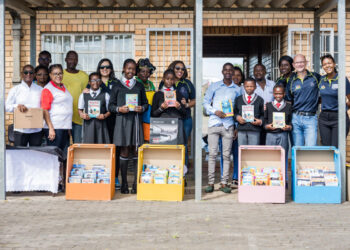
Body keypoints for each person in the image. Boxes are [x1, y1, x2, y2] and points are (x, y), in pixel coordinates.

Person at [109, 59, 148, 194]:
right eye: (128, 68)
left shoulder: (139, 85)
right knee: (124, 151)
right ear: (123, 69)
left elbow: (146, 103)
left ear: (135, 71)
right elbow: (110, 106)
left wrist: (141, 108)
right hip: (122, 121)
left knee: (136, 150)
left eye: (132, 69)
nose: (130, 71)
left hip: (136, 121)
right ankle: (124, 183)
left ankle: (136, 184)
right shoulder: (117, 85)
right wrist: (119, 109)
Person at [203, 63, 241, 194]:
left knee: (226, 155)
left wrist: (236, 127)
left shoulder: (237, 89)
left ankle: (224, 182)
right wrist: (215, 111)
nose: (228, 72)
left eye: (231, 70)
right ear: (222, 71)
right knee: (212, 154)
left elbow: (238, 109)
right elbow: (205, 103)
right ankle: (211, 183)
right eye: (226, 70)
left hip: (229, 125)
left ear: (233, 72)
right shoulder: (214, 86)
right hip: (214, 123)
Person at [160, 60, 196, 172]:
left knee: (183, 144)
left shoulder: (187, 83)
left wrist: (186, 104)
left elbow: (194, 100)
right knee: (169, 143)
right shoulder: (165, 83)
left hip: (185, 119)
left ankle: (183, 170)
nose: (180, 71)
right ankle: (170, 169)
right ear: (172, 68)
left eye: (182, 69)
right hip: (168, 119)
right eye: (177, 68)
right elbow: (160, 99)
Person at [286, 54, 320, 146]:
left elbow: (325, 91)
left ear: (306, 63)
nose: (299, 64)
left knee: (311, 148)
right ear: (293, 65)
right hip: (295, 118)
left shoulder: (315, 77)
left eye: (301, 62)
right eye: (297, 62)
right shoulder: (291, 81)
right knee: (297, 149)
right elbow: (288, 101)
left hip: (311, 118)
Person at [6, 65, 43, 146]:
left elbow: (44, 108)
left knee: (36, 155)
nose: (28, 75)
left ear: (34, 75)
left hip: (36, 130)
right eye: (26, 72)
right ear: (22, 74)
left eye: (31, 72)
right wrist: (17, 106)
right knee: (20, 155)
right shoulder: (15, 90)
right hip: (20, 130)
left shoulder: (40, 90)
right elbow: (7, 107)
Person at [318, 54, 350, 147]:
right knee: (326, 147)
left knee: (336, 146)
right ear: (322, 67)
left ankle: (338, 162)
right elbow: (322, 98)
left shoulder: (342, 79)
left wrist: (344, 108)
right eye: (324, 64)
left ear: (334, 64)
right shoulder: (322, 80)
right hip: (324, 118)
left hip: (339, 117)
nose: (327, 66)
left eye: (329, 63)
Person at [41, 64, 73, 152]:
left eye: (60, 73)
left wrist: (68, 127)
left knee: (62, 154)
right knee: (54, 155)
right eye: (55, 74)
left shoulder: (63, 86)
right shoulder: (48, 89)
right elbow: (45, 110)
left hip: (64, 127)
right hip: (55, 127)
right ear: (50, 75)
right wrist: (51, 128)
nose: (58, 76)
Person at [264, 85, 292, 179]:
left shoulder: (288, 105)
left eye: (280, 93)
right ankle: (271, 178)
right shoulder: (268, 105)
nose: (278, 96)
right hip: (270, 135)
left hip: (283, 134)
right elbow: (264, 120)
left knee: (283, 156)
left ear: (284, 94)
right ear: (273, 94)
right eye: (276, 93)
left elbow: (291, 121)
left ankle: (283, 179)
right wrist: (267, 126)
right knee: (270, 156)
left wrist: (289, 127)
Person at [151, 69, 186, 144]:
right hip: (162, 125)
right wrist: (161, 108)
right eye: (167, 79)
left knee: (177, 150)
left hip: (177, 124)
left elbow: (185, 113)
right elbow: (153, 114)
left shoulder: (178, 94)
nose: (169, 81)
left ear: (174, 80)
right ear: (163, 79)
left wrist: (179, 107)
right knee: (163, 151)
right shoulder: (157, 94)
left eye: (172, 79)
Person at [62, 50, 89, 143]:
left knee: (77, 145)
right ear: (65, 59)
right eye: (70, 58)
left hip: (78, 117)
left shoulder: (84, 76)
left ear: (77, 61)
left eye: (75, 59)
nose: (72, 61)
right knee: (64, 146)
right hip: (63, 118)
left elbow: (89, 95)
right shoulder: (60, 75)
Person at [78, 72, 110, 144]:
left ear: (101, 82)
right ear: (89, 82)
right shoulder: (83, 95)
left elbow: (110, 111)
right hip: (88, 125)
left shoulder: (105, 95)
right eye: (93, 80)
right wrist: (82, 115)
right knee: (89, 147)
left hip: (101, 126)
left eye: (98, 80)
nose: (95, 82)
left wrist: (104, 115)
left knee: (101, 146)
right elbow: (80, 110)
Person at [234, 77, 264, 146]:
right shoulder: (239, 99)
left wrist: (260, 121)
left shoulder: (260, 100)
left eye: (251, 86)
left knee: (253, 151)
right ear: (244, 87)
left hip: (255, 129)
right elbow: (234, 112)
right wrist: (237, 117)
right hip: (242, 129)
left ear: (255, 87)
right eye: (247, 86)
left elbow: (263, 114)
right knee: (242, 151)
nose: (249, 88)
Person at [136, 58, 156, 142]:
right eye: (142, 71)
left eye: (147, 72)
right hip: (139, 113)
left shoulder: (150, 84)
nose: (145, 74)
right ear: (138, 72)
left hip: (149, 113)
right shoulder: (136, 82)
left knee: (148, 138)